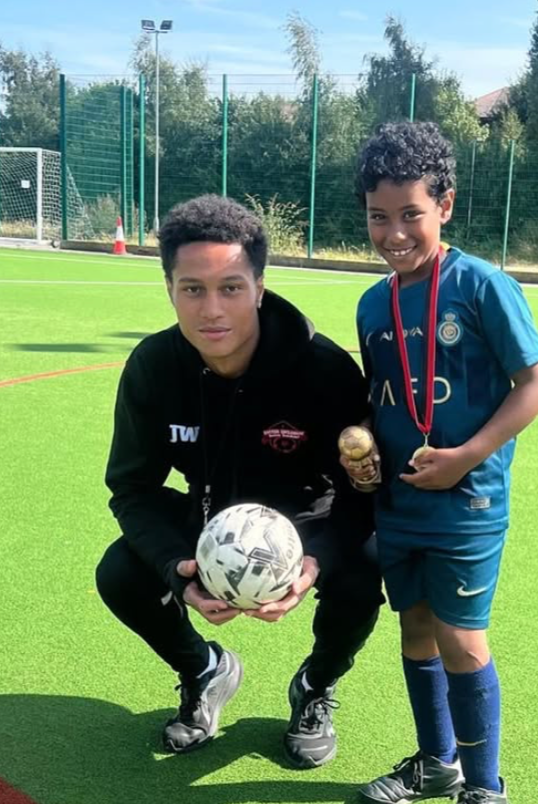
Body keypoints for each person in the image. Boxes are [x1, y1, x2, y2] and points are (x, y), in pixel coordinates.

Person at [96, 194, 383, 768]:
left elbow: (362, 490)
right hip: (208, 518)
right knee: (121, 571)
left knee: (367, 567)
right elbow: (133, 488)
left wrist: (318, 559)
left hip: (310, 516)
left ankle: (316, 686)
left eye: (230, 287)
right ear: (170, 289)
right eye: (192, 288)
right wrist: (176, 568)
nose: (211, 310)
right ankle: (203, 670)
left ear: (258, 286)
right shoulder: (154, 367)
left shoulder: (321, 369)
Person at [345, 122, 538, 804]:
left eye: (411, 213)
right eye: (378, 215)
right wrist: (364, 454)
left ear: (446, 205)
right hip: (399, 501)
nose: (394, 232)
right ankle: (437, 762)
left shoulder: (482, 285)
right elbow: (384, 396)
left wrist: (466, 456)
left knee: (464, 640)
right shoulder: (372, 304)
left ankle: (485, 788)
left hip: (466, 501)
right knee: (415, 630)